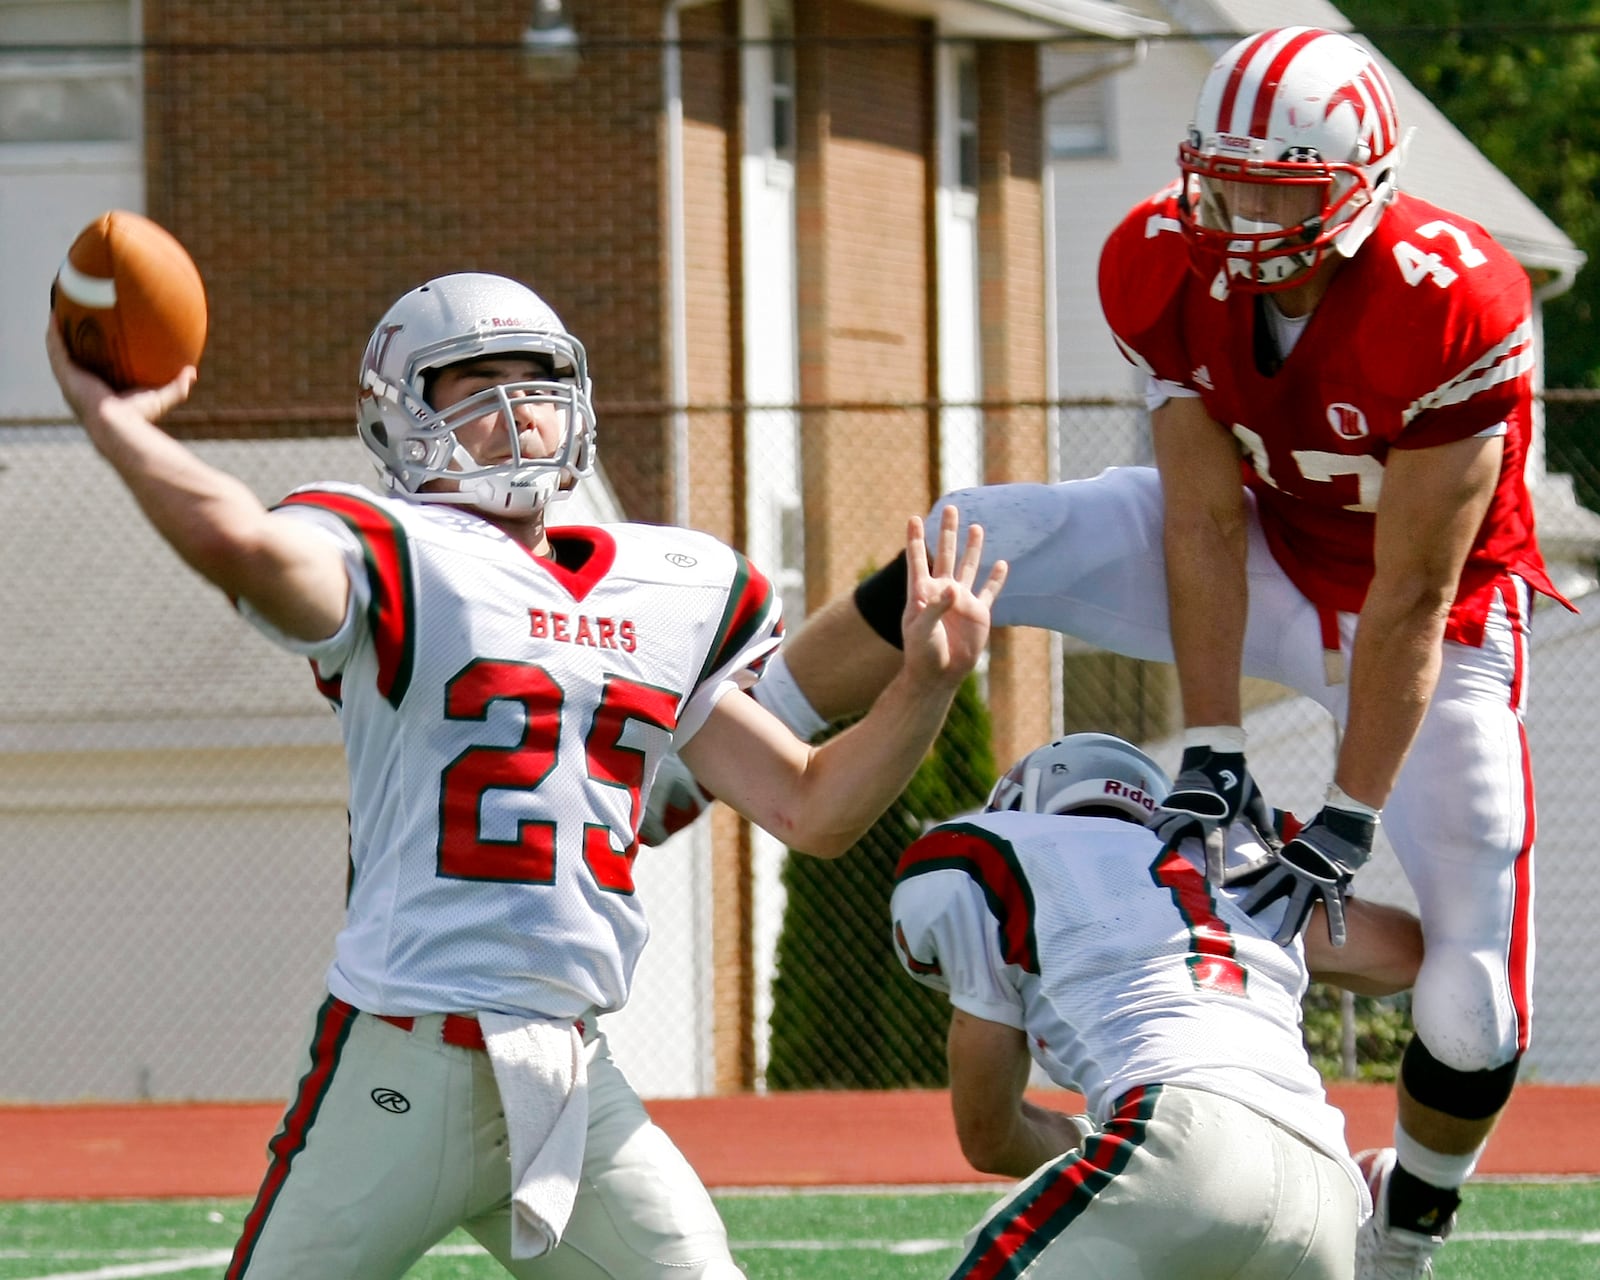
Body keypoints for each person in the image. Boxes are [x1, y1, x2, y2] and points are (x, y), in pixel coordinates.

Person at [654, 26, 1567, 1280]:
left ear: (1361, 187)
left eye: (1278, 195)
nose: (1240, 221)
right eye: (1224, 183)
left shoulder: (1453, 297)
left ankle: (1402, 1236)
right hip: (1256, 543)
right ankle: (703, 752)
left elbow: (1413, 587)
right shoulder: (1157, 257)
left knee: (1474, 989)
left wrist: (1348, 809)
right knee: (985, 530)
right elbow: (1197, 515)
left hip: (1428, 620)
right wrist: (1212, 741)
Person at [45, 270, 1005, 1280]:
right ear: (398, 416)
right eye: (474, 380)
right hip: (400, 1059)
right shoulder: (390, 547)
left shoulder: (666, 587)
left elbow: (812, 806)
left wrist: (923, 686)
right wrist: (110, 420)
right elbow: (236, 540)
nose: (516, 406)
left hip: (572, 1075)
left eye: (536, 378)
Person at [890, 731, 1424, 1280]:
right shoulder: (1232, 869)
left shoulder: (996, 850)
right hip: (1330, 1195)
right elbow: (1410, 957)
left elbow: (989, 1136)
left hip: (1181, 1143)